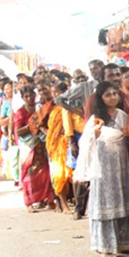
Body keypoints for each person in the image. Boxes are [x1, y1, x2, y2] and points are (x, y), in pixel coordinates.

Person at [77, 81, 129, 257]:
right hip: (103, 164)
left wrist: (127, 136)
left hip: (121, 162)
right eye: (108, 95)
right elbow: (85, 142)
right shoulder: (96, 118)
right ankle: (105, 245)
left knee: (123, 197)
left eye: (114, 94)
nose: (112, 98)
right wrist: (93, 135)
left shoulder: (122, 115)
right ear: (101, 98)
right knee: (105, 199)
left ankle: (125, 242)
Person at [14, 85, 53, 211]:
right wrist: (30, 126)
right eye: (26, 96)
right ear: (22, 98)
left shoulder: (40, 108)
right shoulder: (21, 112)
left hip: (41, 145)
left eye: (31, 95)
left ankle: (48, 199)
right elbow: (18, 131)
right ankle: (29, 202)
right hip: (29, 146)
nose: (30, 98)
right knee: (29, 174)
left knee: (45, 172)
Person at [45, 80, 80, 212]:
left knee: (73, 175)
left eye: (57, 92)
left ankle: (77, 203)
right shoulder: (48, 108)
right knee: (58, 175)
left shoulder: (71, 106)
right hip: (55, 145)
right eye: (53, 93)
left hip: (69, 143)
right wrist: (50, 133)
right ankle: (63, 204)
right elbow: (35, 124)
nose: (54, 95)